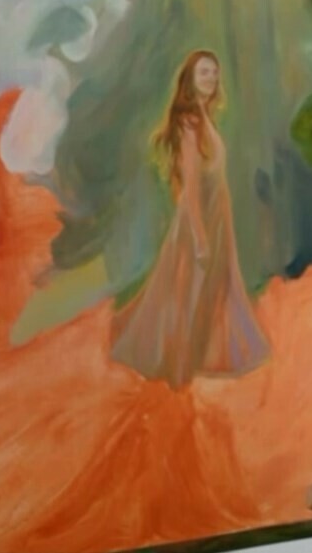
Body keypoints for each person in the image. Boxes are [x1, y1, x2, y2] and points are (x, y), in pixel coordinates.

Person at [110, 49, 269, 389]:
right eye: (204, 73)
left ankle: (201, 356)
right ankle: (177, 365)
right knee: (187, 289)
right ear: (190, 80)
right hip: (199, 220)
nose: (211, 78)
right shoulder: (189, 123)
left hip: (216, 217)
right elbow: (191, 186)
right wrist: (198, 236)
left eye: (214, 72)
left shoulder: (204, 117)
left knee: (213, 287)